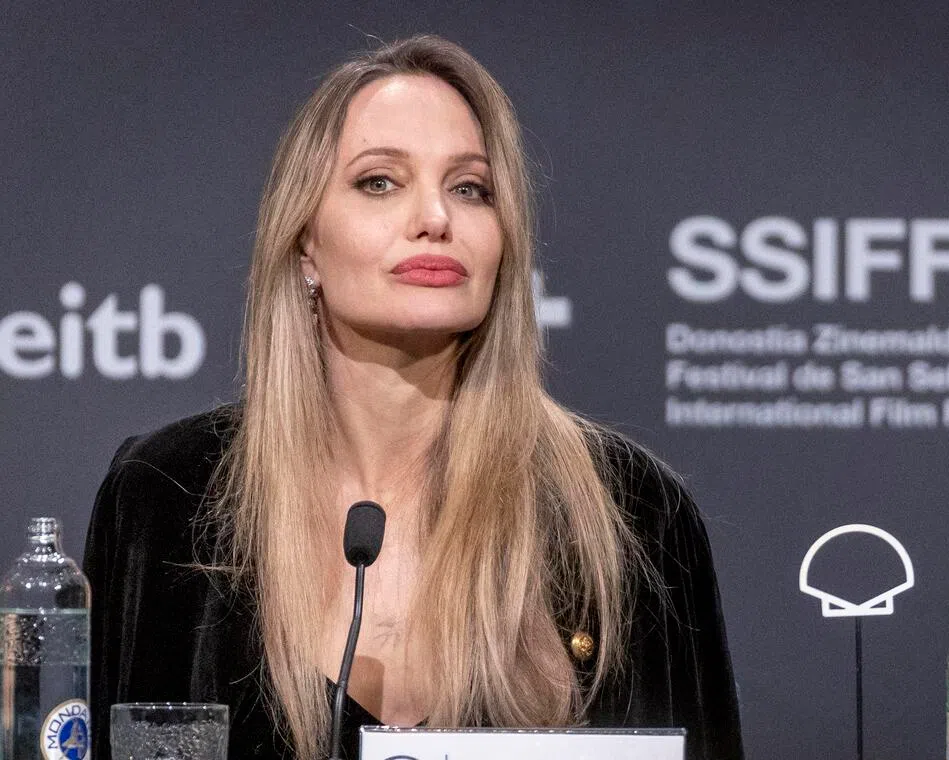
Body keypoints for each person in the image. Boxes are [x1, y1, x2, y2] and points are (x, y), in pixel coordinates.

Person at [84, 35, 744, 760]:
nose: (436, 217)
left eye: (471, 189)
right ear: (305, 242)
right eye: (379, 182)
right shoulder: (167, 495)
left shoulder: (631, 512)